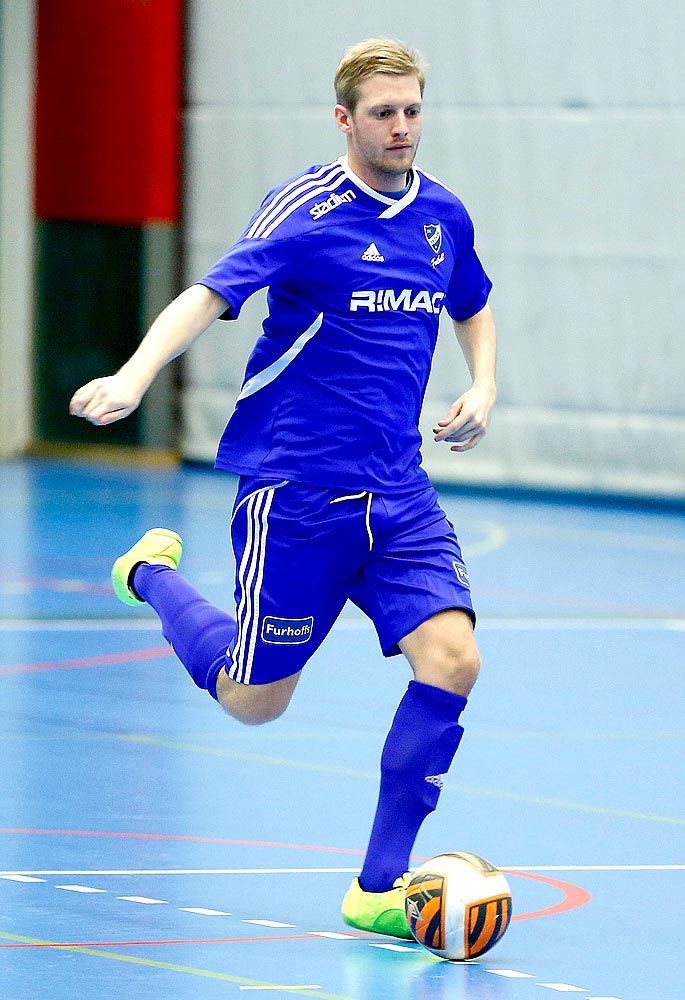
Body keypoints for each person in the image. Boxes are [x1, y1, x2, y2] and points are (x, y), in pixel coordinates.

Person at [69, 38, 497, 939]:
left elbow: (471, 300)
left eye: (413, 109)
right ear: (346, 119)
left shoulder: (441, 215)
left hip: (399, 495)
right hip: (293, 490)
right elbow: (207, 295)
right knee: (254, 701)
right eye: (383, 113)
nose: (402, 127)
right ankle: (152, 575)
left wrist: (483, 384)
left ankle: (378, 887)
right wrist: (134, 378)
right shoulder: (308, 209)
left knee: (454, 661)